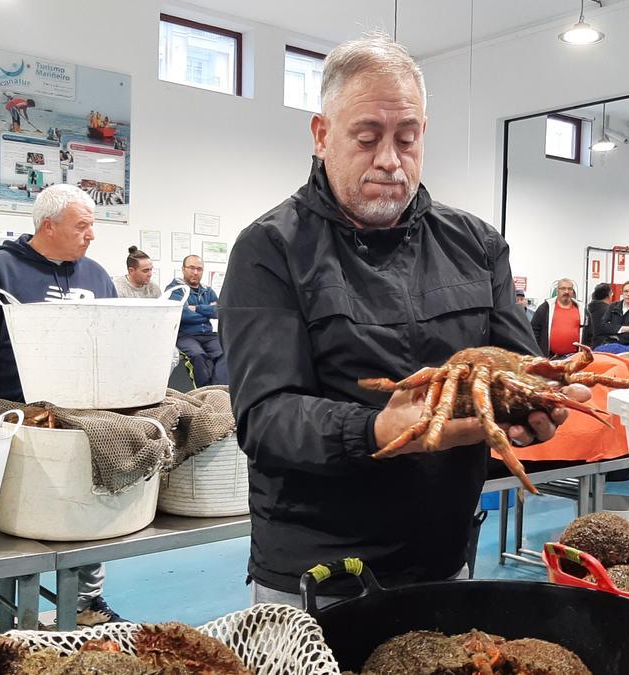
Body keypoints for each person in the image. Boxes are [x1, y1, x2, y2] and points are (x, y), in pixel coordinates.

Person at [221, 33, 588, 608]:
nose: (390, 160)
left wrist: (540, 406)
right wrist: (375, 430)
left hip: (444, 558)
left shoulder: (477, 245)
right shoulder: (271, 249)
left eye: (407, 139)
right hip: (316, 573)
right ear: (322, 136)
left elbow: (519, 370)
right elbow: (265, 418)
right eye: (367, 138)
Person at [0, 184, 125, 631]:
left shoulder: (97, 277)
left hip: (82, 423)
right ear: (49, 225)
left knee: (88, 513)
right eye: (82, 225)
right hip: (10, 420)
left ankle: (88, 600)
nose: (92, 235)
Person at [166, 255, 227, 386]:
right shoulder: (175, 290)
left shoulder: (208, 291)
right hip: (185, 335)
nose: (195, 272)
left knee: (225, 352)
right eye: (191, 268)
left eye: (199, 269)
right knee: (198, 355)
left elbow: (218, 312)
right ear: (183, 269)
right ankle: (203, 392)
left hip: (208, 334)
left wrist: (197, 308)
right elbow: (183, 315)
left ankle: (217, 391)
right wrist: (206, 311)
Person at [531, 278, 581, 358]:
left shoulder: (582, 310)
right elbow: (534, 330)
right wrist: (538, 353)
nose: (566, 292)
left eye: (570, 289)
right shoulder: (545, 308)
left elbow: (589, 334)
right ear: (557, 290)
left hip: (575, 358)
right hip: (550, 358)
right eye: (563, 288)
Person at [596, 280, 629, 349]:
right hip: (612, 347)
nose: (628, 294)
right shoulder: (613, 306)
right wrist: (622, 329)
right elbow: (603, 326)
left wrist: (615, 337)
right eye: (626, 291)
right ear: (622, 293)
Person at [582, 282, 612, 347]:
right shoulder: (609, 310)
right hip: (603, 345)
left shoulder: (588, 308)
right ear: (609, 294)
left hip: (589, 345)